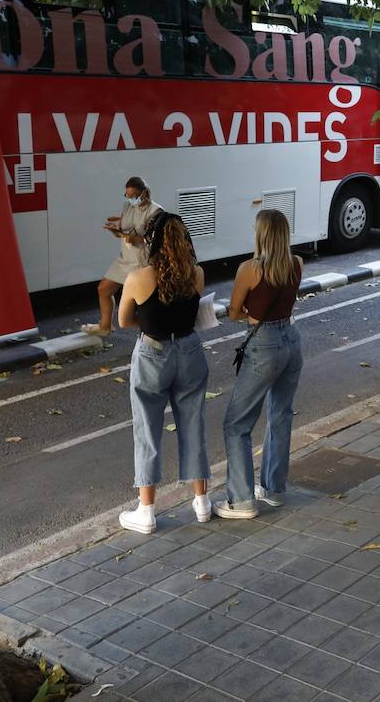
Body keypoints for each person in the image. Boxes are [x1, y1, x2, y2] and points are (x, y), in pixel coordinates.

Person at [115, 213, 210, 534]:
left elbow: (124, 321)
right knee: (193, 422)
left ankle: (147, 511)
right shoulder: (196, 274)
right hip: (190, 352)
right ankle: (202, 503)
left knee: (147, 429)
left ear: (151, 241)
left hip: (152, 353)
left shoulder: (138, 279)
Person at [214, 209, 305, 519]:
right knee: (280, 414)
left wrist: (250, 313)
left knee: (236, 424)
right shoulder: (297, 264)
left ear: (261, 234)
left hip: (264, 345)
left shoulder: (249, 269)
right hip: (292, 341)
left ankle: (240, 500)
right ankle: (273, 489)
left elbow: (234, 311)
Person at [83, 177, 162, 337]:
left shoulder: (156, 211)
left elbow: (156, 239)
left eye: (134, 195)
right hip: (125, 257)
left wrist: (133, 239)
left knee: (140, 302)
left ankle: (152, 332)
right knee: (103, 289)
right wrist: (115, 231)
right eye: (127, 195)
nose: (130, 199)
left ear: (145, 193)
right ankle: (105, 326)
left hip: (142, 261)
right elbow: (123, 229)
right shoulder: (127, 206)